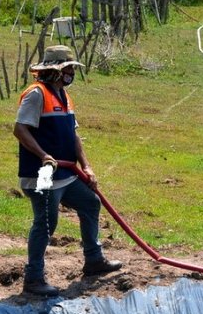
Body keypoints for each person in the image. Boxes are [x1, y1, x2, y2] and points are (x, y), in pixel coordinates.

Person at [14, 45, 122, 297]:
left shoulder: (63, 95)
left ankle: (93, 260)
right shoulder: (36, 94)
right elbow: (20, 129)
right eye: (68, 69)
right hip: (42, 174)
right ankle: (34, 278)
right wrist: (43, 156)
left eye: (72, 69)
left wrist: (86, 165)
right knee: (46, 223)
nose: (72, 73)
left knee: (90, 203)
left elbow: (73, 135)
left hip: (67, 174)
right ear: (55, 71)